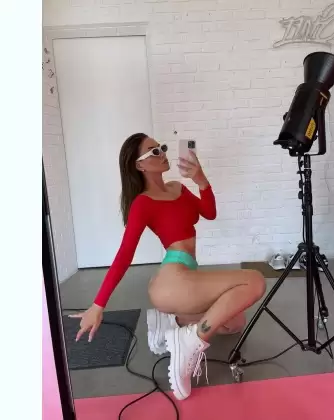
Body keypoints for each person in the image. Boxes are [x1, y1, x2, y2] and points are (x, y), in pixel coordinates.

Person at [70, 133, 266, 401]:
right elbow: (125, 255)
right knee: (255, 281)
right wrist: (97, 305)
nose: (162, 153)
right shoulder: (143, 203)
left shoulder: (178, 188)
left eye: (161, 148)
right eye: (153, 152)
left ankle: (171, 322)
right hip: (172, 278)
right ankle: (189, 342)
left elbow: (209, 213)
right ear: (139, 165)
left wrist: (201, 180)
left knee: (235, 323)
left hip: (187, 275)